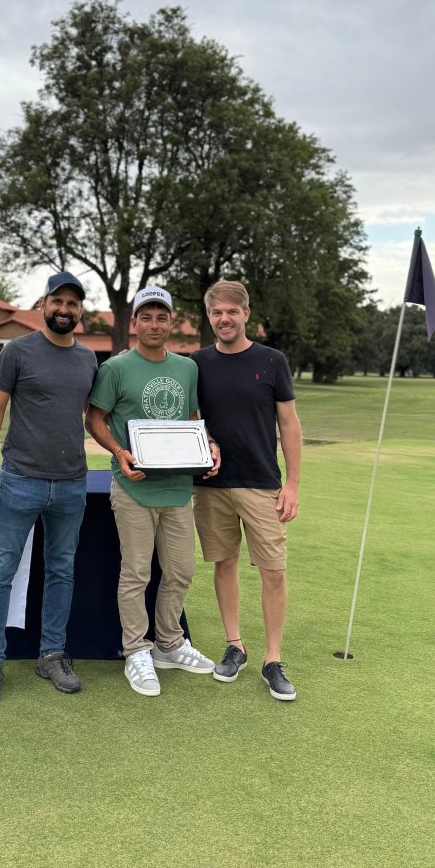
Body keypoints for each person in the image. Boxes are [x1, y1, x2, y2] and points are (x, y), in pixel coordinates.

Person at [0, 272, 98, 706]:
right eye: (57, 301)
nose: (64, 310)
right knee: (1, 570)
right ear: (43, 304)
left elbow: (84, 416)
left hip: (71, 484)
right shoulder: (18, 352)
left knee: (61, 570)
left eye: (73, 304)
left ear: (81, 311)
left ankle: (51, 654)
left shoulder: (88, 360)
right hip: (21, 478)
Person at [85, 286, 219, 697]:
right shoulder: (116, 368)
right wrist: (120, 452)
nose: (155, 324)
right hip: (134, 488)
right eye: (147, 317)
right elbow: (95, 419)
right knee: (137, 573)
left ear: (171, 322)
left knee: (181, 571)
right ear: (135, 323)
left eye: (162, 317)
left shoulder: (187, 367)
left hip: (178, 488)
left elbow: (193, 418)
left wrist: (208, 445)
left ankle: (169, 643)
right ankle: (136, 651)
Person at [192, 280, 302, 701]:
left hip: (261, 484)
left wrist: (292, 483)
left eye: (232, 312)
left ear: (245, 315)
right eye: (217, 312)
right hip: (212, 485)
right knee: (224, 564)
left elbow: (289, 424)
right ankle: (234, 645)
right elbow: (190, 419)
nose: (224, 319)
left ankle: (272, 659)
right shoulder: (197, 363)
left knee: (274, 571)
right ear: (209, 317)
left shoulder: (272, 361)